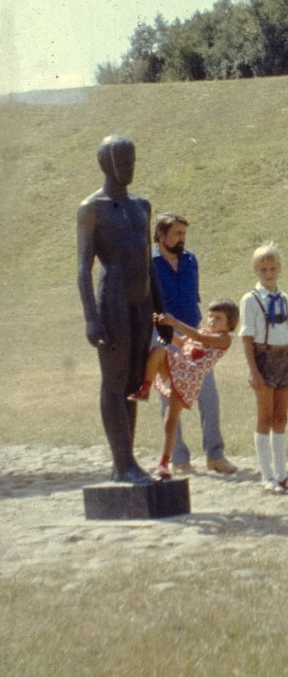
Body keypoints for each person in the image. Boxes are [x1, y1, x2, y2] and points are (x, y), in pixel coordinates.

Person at [77, 135, 165, 484]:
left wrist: (161, 311)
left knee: (133, 382)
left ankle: (126, 462)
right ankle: (123, 463)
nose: (129, 168)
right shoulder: (92, 208)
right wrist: (91, 317)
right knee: (114, 380)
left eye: (133, 161)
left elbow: (149, 262)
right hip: (112, 298)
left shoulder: (142, 206)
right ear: (107, 165)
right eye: (123, 162)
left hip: (141, 301)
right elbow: (83, 268)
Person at [152, 213, 237, 475]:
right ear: (161, 236)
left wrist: (201, 330)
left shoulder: (190, 260)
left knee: (208, 395)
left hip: (196, 333)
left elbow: (193, 297)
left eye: (184, 234)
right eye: (177, 234)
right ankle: (179, 459)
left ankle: (215, 455)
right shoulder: (149, 264)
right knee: (170, 400)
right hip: (165, 334)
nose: (182, 239)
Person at [129, 302, 239, 479]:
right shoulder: (203, 331)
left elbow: (199, 338)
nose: (212, 320)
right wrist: (162, 327)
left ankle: (165, 461)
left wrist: (174, 322)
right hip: (177, 367)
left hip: (189, 380)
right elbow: (180, 342)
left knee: (171, 421)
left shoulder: (224, 339)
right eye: (210, 316)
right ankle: (145, 389)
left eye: (218, 318)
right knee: (158, 351)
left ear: (230, 323)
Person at [239, 244, 288, 492]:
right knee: (265, 418)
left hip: (285, 359)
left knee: (281, 418)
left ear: (279, 269)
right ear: (255, 270)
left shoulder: (285, 299)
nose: (268, 273)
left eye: (273, 268)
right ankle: (266, 477)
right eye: (263, 269)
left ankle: (282, 475)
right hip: (263, 359)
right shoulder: (251, 300)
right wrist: (254, 371)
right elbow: (247, 338)